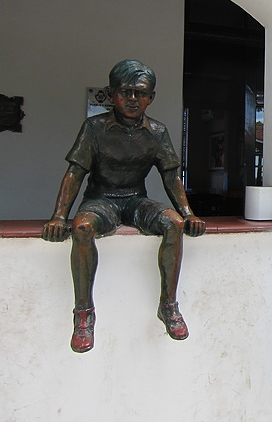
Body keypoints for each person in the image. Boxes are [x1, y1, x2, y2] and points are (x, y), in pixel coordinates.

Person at [42, 59, 206, 353]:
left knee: (174, 224)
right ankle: (83, 315)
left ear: (151, 98)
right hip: (100, 201)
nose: (133, 99)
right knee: (81, 228)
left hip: (135, 200)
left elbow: (170, 176)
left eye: (140, 93)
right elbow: (75, 172)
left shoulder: (157, 132)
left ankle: (168, 305)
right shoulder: (94, 128)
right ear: (112, 93)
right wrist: (58, 216)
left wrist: (188, 213)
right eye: (126, 92)